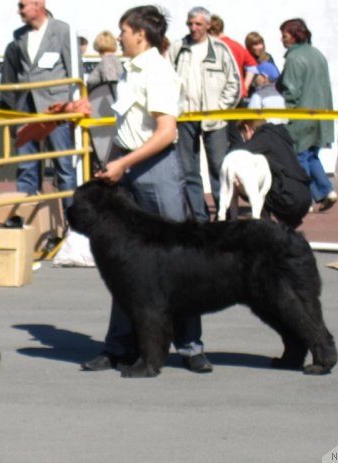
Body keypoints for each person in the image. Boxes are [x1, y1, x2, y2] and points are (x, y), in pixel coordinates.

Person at [80, 5, 212, 375]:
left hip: (156, 170)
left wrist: (123, 163)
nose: (119, 36)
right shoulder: (130, 70)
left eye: (124, 30)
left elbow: (166, 132)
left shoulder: (158, 71)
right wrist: (115, 162)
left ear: (140, 33)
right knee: (124, 262)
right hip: (127, 166)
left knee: (175, 260)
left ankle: (190, 346)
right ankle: (118, 346)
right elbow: (127, 124)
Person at [4, 0, 81, 212]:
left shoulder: (63, 30)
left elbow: (75, 71)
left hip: (55, 107)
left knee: (64, 166)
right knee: (26, 165)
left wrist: (72, 106)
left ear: (38, 4)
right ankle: (27, 217)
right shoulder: (19, 35)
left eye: (22, 5)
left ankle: (72, 223)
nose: (18, 10)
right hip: (26, 107)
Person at [168, 6, 240, 222]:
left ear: (208, 25)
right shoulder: (178, 48)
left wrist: (220, 109)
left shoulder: (220, 50)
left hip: (214, 120)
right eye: (190, 24)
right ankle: (200, 219)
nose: (193, 28)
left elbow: (234, 83)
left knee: (219, 168)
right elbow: (167, 81)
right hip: (185, 117)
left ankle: (223, 214)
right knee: (189, 170)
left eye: (198, 24)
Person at [277, 18, 337, 211]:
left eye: (284, 35)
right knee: (311, 156)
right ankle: (327, 191)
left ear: (294, 35)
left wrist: (287, 113)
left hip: (302, 116)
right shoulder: (317, 54)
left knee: (299, 157)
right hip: (321, 114)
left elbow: (291, 91)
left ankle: (305, 200)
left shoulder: (294, 58)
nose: (281, 39)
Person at [234, 119, 311, 228]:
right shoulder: (280, 134)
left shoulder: (263, 138)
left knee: (249, 186)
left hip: (289, 198)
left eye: (243, 136)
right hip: (305, 195)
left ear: (247, 129)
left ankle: (264, 225)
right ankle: (285, 227)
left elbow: (236, 153)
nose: (245, 140)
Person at [209, 14, 258, 148]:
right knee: (237, 131)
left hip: (223, 95)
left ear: (211, 31)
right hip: (239, 93)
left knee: (223, 133)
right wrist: (246, 85)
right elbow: (252, 66)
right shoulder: (236, 45)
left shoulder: (214, 47)